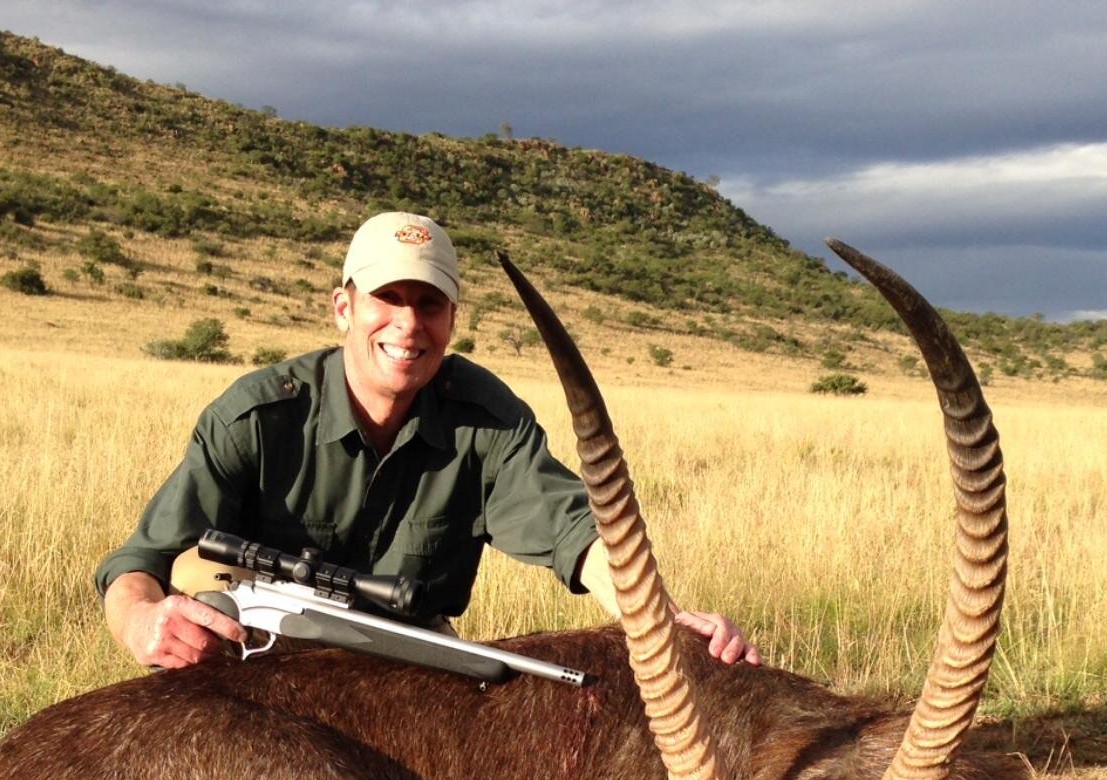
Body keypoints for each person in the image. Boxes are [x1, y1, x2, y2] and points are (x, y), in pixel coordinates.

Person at [97, 211, 761, 670]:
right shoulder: (255, 415)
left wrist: (659, 619)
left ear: (451, 317)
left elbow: (577, 534)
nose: (409, 325)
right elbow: (140, 563)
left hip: (412, 654)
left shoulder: (488, 417)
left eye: (430, 303)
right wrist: (141, 623)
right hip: (263, 644)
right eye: (389, 298)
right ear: (343, 308)